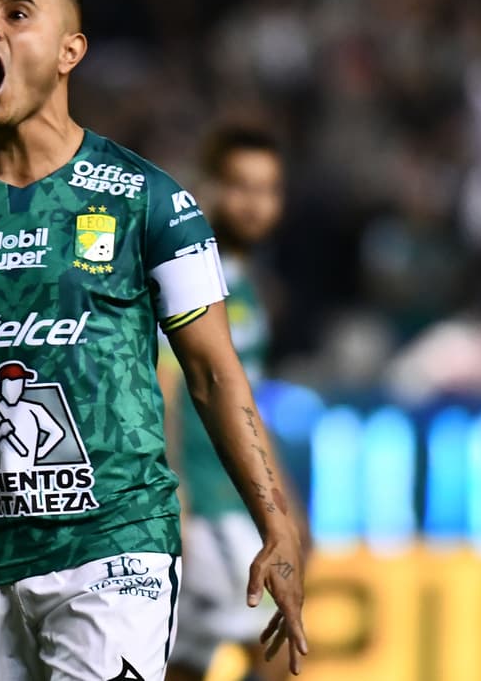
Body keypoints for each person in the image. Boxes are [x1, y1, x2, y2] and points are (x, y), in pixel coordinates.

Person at [0, 0, 310, 680]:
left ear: (71, 51)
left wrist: (276, 522)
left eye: (17, 13)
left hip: (115, 547)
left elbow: (212, 373)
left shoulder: (150, 200)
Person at [163, 126, 306, 681]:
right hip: (205, 506)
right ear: (208, 188)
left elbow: (248, 406)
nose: (255, 203)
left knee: (186, 664)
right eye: (240, 186)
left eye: (268, 189)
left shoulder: (246, 287)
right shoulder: (187, 277)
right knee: (278, 649)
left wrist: (283, 502)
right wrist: (174, 499)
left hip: (232, 503)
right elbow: (163, 386)